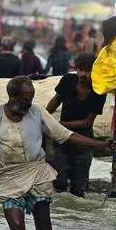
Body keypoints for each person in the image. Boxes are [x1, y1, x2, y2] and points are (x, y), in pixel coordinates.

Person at [0, 76, 114, 230]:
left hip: (37, 175)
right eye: (26, 99)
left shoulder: (38, 112)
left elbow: (65, 135)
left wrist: (100, 145)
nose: (29, 102)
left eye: (32, 98)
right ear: (12, 96)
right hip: (7, 177)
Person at [46, 53, 107, 197]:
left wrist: (58, 124)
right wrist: (44, 117)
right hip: (63, 142)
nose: (83, 74)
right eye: (81, 69)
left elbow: (87, 122)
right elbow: (55, 101)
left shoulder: (99, 91)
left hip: (84, 145)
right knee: (59, 186)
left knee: (78, 190)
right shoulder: (67, 80)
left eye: (88, 70)